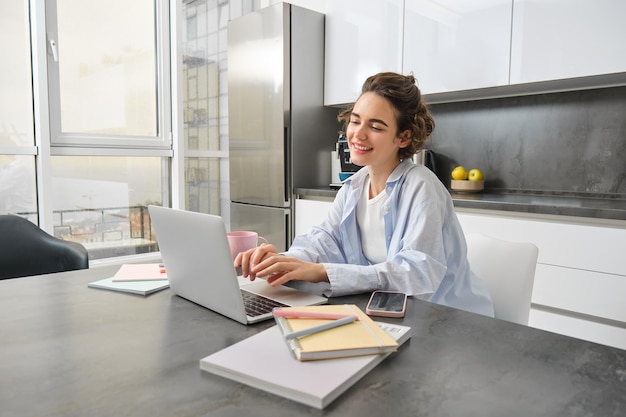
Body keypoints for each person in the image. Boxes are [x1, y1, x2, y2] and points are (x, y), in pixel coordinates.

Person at [235, 72, 494, 317]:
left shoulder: (422, 186)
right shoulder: (353, 188)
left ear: (403, 137)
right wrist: (282, 261)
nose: (358, 134)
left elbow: (417, 273)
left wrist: (322, 272)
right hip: (390, 313)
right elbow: (323, 240)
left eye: (376, 127)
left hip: (449, 321)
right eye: (355, 120)